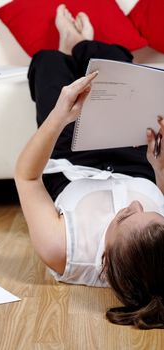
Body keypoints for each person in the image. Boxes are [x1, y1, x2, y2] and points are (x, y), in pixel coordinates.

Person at [15, 4, 164, 329]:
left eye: (125, 216)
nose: (135, 204)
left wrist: (59, 116)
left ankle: (67, 46)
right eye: (151, 211)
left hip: (72, 162)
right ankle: (83, 44)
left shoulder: (62, 249)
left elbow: (26, 178)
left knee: (48, 62)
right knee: (115, 68)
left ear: (105, 260)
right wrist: (159, 169)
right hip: (136, 162)